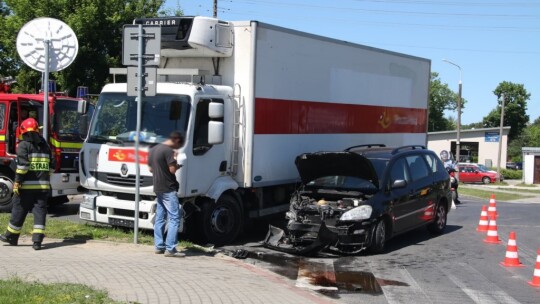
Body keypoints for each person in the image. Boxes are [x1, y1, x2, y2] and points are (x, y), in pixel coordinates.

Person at [0, 118, 55, 250]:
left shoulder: (24, 145)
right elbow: (52, 166)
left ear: (24, 131)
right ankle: (37, 241)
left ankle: (11, 236)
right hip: (42, 188)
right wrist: (45, 177)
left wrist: (17, 182)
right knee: (40, 212)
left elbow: (23, 167)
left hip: (26, 187)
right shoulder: (45, 146)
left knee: (18, 210)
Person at [148, 131, 185, 257]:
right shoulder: (168, 151)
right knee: (174, 218)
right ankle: (171, 249)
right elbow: (172, 170)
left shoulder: (153, 150)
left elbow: (150, 169)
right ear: (176, 140)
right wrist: (176, 161)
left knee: (160, 217)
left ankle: (159, 246)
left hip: (157, 187)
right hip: (168, 188)